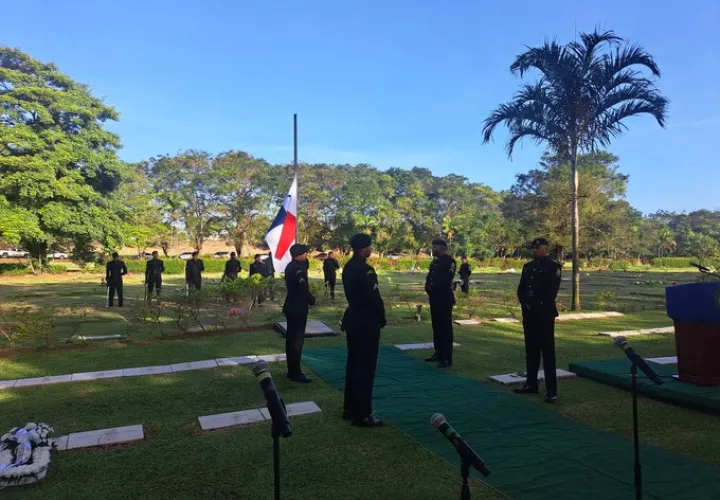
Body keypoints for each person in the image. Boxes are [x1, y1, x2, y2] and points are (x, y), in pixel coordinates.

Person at [342, 234, 386, 427]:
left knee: (353, 365)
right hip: (366, 321)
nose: (371, 250)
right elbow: (374, 298)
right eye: (369, 247)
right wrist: (381, 317)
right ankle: (363, 415)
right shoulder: (365, 269)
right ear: (363, 249)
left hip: (352, 318)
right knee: (366, 368)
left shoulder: (348, 267)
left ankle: (350, 408)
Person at [515, 237, 562, 403]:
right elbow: (521, 289)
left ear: (545, 249)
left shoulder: (553, 267)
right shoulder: (528, 267)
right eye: (533, 249)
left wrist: (535, 306)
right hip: (529, 314)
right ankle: (531, 384)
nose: (535, 251)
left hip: (544, 314)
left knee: (547, 352)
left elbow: (551, 292)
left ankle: (551, 391)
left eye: (538, 248)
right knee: (531, 349)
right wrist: (526, 304)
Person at [283, 244, 316, 383]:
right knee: (297, 341)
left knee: (291, 339)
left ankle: (292, 370)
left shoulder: (290, 266)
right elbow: (303, 290)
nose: (306, 255)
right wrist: (312, 299)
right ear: (300, 254)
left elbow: (305, 266)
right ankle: (296, 373)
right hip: (298, 307)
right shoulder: (298, 270)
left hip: (290, 305)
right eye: (305, 253)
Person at [424, 239, 457, 368]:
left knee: (445, 329)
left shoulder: (449, 261)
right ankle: (438, 353)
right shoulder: (435, 262)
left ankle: (446, 357)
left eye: (435, 246)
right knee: (436, 327)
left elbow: (446, 280)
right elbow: (430, 277)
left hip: (444, 299)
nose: (433, 248)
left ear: (442, 248)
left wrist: (435, 289)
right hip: (434, 298)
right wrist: (428, 287)